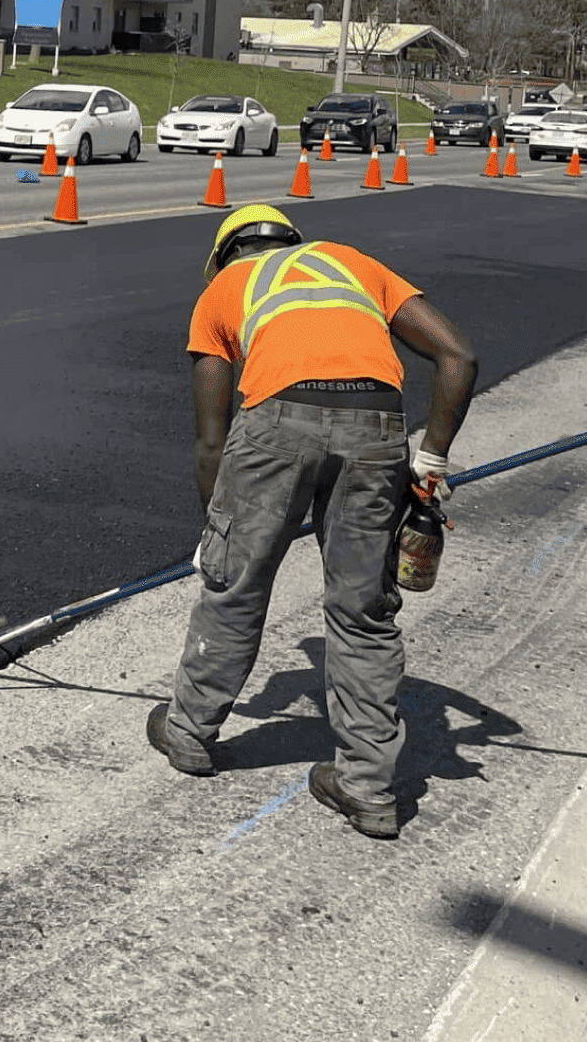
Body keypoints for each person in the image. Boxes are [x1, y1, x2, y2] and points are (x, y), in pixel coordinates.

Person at [146, 204, 476, 839]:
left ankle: (188, 733)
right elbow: (458, 356)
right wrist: (430, 461)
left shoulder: (223, 288)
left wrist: (220, 533)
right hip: (379, 429)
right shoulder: (351, 261)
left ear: (221, 258)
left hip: (276, 425)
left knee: (237, 589)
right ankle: (368, 788)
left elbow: (211, 441)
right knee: (362, 609)